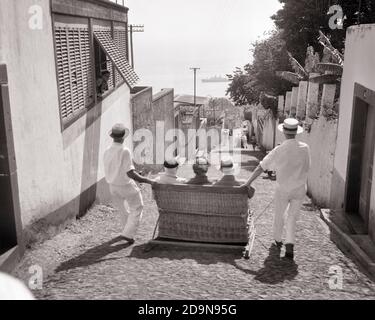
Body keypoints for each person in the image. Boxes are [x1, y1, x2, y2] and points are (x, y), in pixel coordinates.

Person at [242, 118, 311, 260]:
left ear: (284, 132)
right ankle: (290, 245)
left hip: (283, 188)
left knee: (279, 214)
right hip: (299, 188)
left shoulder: (279, 149)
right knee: (292, 217)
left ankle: (278, 240)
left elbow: (261, 166)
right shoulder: (305, 148)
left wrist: (248, 183)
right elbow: (307, 167)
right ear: (296, 132)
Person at [104, 123, 155, 244]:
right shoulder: (124, 151)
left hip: (112, 186)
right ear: (123, 137)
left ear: (112, 136)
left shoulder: (107, 151)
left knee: (122, 210)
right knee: (137, 207)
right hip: (125, 185)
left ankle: (126, 232)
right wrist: (148, 181)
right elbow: (130, 173)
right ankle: (127, 234)